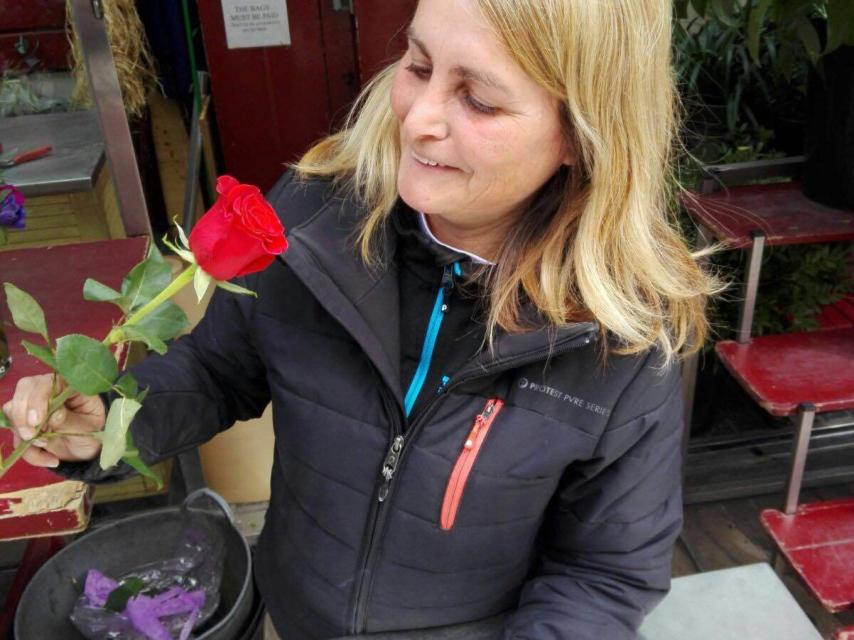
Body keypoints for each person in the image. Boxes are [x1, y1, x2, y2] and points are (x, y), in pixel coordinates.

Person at [4, 0, 717, 637]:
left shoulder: (619, 337)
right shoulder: (316, 216)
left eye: (479, 100)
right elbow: (219, 369)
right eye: (419, 63)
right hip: (295, 611)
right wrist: (110, 416)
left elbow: (604, 573)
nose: (419, 117)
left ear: (580, 134)